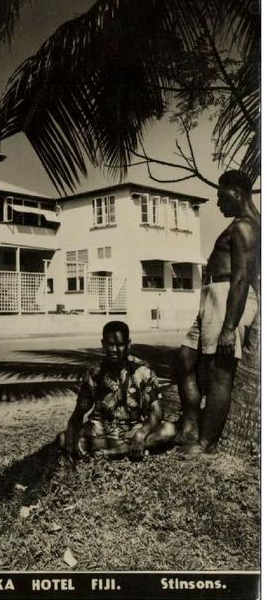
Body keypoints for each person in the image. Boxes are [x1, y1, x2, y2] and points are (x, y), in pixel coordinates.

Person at [175, 169, 260, 457]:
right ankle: (190, 422)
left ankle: (205, 444)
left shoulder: (245, 226)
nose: (218, 203)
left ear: (236, 192)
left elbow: (240, 279)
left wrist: (228, 327)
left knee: (220, 372)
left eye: (221, 196)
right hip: (213, 297)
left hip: (227, 298)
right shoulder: (240, 225)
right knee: (186, 357)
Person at [57, 320, 176, 459]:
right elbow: (79, 412)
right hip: (99, 430)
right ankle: (125, 448)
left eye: (119, 345)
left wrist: (142, 433)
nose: (114, 350)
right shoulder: (94, 373)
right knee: (62, 438)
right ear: (103, 344)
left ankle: (106, 450)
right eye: (110, 345)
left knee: (169, 430)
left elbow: (157, 412)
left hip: (133, 429)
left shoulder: (143, 371)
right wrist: (71, 431)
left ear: (128, 344)